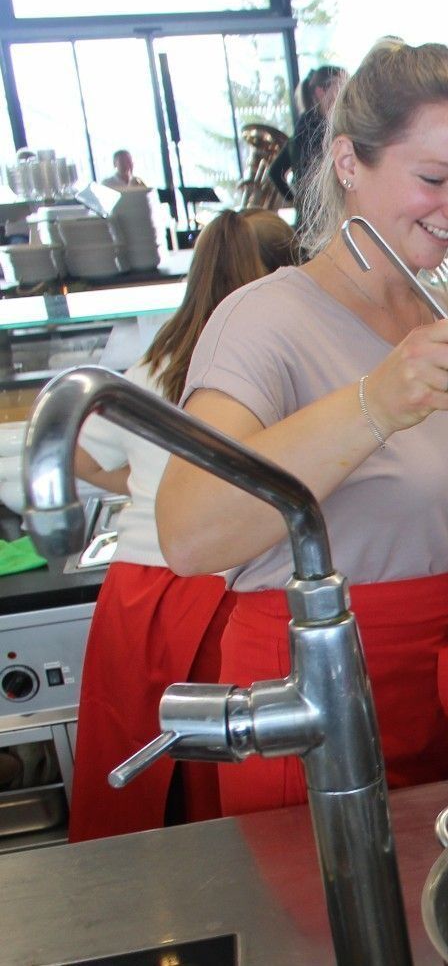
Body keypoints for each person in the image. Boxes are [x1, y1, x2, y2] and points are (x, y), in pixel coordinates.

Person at [157, 38, 448, 816]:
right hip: (314, 702)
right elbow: (189, 530)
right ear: (350, 162)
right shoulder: (264, 320)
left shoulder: (437, 312)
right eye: (433, 179)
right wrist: (375, 405)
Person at [67, 208, 295, 841]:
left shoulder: (155, 361)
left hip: (135, 596)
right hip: (217, 590)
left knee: (136, 792)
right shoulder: (271, 358)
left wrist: (139, 485)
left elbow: (83, 453)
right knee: (214, 799)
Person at [267, 64, 349, 205]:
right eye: (341, 86)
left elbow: (275, 171)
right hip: (322, 219)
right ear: (321, 91)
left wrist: (296, 202)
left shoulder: (304, 126)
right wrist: (297, 201)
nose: (346, 93)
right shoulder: (315, 129)